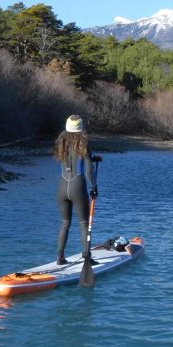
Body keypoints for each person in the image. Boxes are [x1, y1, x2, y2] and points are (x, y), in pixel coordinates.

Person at [53, 114, 98, 267]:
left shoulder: (61, 143)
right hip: (77, 187)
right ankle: (87, 257)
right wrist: (94, 187)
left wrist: (93, 158)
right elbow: (89, 172)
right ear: (81, 128)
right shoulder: (83, 145)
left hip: (61, 187)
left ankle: (59, 258)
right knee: (84, 223)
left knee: (65, 223)